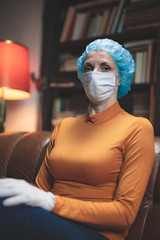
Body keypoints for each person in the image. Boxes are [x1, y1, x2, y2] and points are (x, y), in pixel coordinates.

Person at [0, 38, 155, 240]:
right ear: (82, 76)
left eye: (105, 67)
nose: (94, 74)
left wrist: (49, 202)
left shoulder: (138, 128)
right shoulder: (64, 126)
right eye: (88, 68)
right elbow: (39, 190)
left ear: (119, 78)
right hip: (46, 221)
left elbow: (124, 215)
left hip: (97, 233)